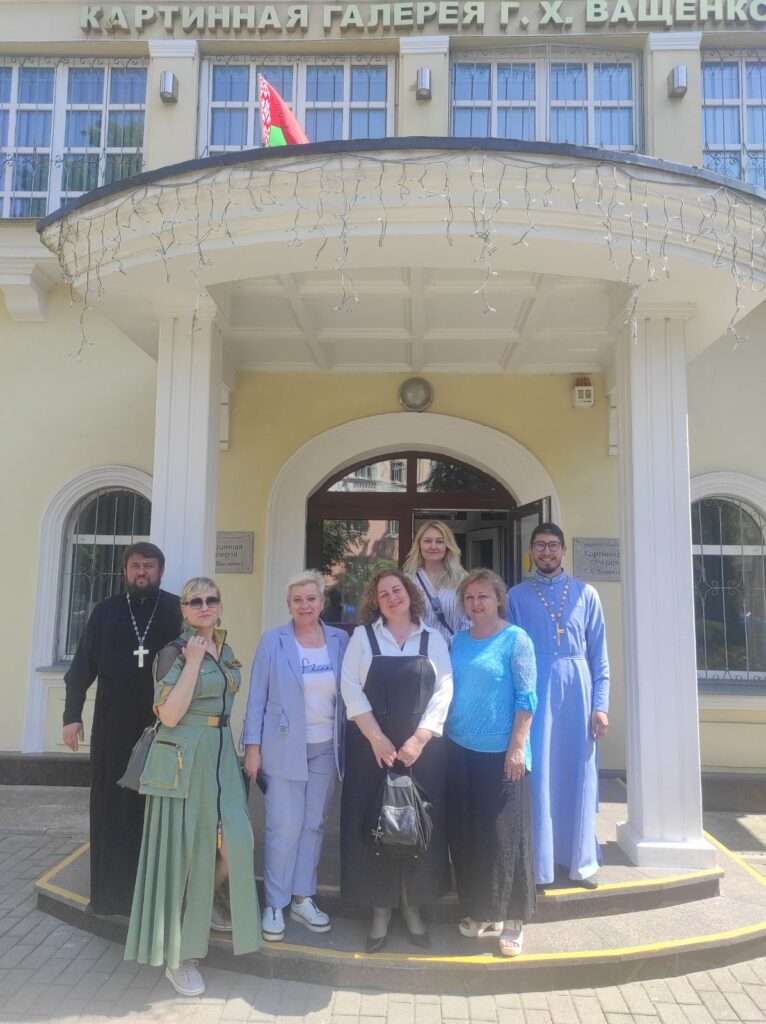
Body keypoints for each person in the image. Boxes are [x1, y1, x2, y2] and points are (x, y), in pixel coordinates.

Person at [124, 577, 261, 996]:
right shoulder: (173, 653)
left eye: (210, 599)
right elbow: (168, 715)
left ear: (219, 605)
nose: (204, 606)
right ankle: (178, 956)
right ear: (183, 610)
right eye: (194, 601)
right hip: (184, 762)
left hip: (220, 758)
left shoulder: (226, 649)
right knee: (184, 857)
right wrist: (194, 662)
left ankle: (207, 901)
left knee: (237, 844)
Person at [62, 542, 182, 916]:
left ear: (160, 571)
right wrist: (71, 715)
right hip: (112, 725)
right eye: (134, 566)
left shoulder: (177, 610)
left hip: (163, 724)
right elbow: (81, 667)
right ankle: (111, 894)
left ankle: (155, 896)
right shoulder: (105, 612)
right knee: (112, 805)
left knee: (155, 807)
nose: (141, 571)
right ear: (124, 571)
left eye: (149, 565)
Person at [340, 569, 453, 953]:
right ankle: (380, 912)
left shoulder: (432, 638)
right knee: (375, 826)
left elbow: (444, 689)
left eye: (397, 590)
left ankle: (414, 907)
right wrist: (377, 738)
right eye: (383, 592)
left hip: (421, 752)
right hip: (372, 751)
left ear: (410, 594)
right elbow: (350, 687)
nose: (391, 597)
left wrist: (420, 739)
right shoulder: (363, 637)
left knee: (419, 826)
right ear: (375, 601)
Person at [243, 570, 349, 943]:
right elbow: (257, 696)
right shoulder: (273, 640)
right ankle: (275, 903)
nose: (305, 605)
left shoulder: (340, 640)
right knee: (283, 827)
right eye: (297, 600)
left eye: (311, 598)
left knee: (312, 825)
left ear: (322, 602)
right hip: (283, 748)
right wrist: (252, 747)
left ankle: (302, 898)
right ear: (288, 605)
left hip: (325, 749)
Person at [508, 523, 610, 890]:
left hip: (579, 697)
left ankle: (582, 863)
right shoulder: (516, 596)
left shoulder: (587, 594)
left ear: (563, 550)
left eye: (553, 545)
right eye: (540, 545)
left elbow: (600, 657)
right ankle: (541, 866)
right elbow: (512, 655)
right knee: (541, 778)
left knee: (579, 776)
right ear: (531, 551)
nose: (546, 552)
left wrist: (601, 705)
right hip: (537, 694)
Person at [446, 569, 537, 957]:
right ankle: (482, 911)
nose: (476, 603)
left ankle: (514, 918)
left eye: (483, 596)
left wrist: (517, 747)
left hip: (502, 754)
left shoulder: (516, 639)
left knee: (506, 837)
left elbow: (526, 697)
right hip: (459, 749)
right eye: (469, 598)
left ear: (498, 599)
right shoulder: (457, 640)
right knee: (470, 834)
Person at [402, 520, 470, 646]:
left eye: (439, 541)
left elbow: (469, 620)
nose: (433, 546)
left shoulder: (462, 579)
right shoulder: (407, 580)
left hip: (453, 651)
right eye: (427, 541)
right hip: (418, 652)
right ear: (419, 545)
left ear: (447, 546)